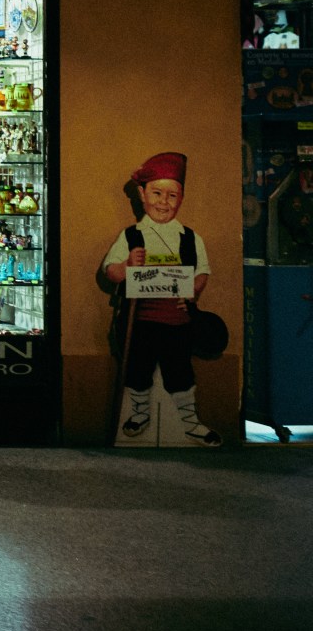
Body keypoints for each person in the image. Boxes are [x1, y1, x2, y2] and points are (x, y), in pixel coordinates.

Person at [101, 152, 218, 445]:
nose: (164, 202)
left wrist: (193, 291)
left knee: (179, 370)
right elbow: (110, 272)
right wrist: (126, 267)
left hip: (178, 320)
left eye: (172, 195)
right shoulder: (130, 236)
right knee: (138, 369)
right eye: (156, 193)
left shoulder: (190, 238)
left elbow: (202, 272)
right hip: (138, 320)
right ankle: (139, 413)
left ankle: (190, 422)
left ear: (181, 198)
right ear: (142, 194)